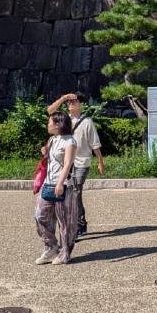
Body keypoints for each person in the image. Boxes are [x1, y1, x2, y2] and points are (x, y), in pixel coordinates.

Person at [47, 92, 105, 238]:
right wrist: (64, 97)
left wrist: (100, 162)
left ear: (81, 104)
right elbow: (50, 111)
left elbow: (95, 144)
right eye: (70, 102)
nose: (71, 103)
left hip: (82, 162)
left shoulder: (87, 122)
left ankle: (78, 225)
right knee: (70, 193)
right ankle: (79, 221)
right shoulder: (64, 119)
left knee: (75, 191)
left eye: (75, 101)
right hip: (65, 162)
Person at [34, 111, 78, 264]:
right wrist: (45, 153)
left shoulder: (70, 141)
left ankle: (65, 252)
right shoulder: (52, 139)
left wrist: (60, 183)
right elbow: (50, 161)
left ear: (58, 124)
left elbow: (67, 164)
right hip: (48, 183)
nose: (48, 125)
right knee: (40, 216)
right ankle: (51, 247)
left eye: (50, 122)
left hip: (63, 185)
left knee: (65, 222)